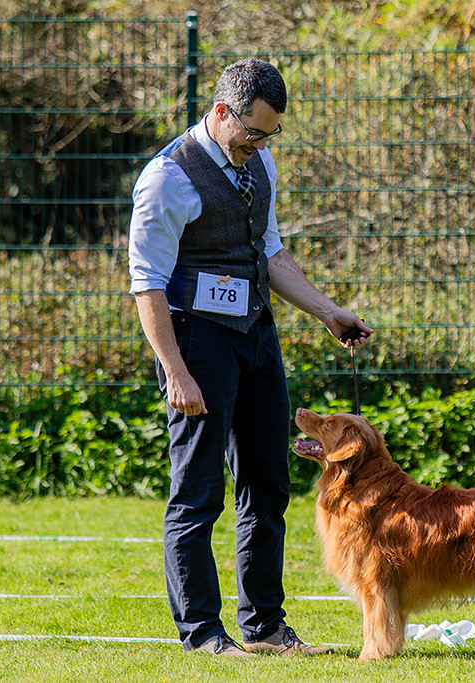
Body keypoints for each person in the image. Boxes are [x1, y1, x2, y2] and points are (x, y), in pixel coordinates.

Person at [127, 58, 373, 657]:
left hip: (255, 335)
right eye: (252, 133)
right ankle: (204, 633)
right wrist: (176, 372)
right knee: (199, 490)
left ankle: (265, 628)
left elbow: (272, 255)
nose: (260, 145)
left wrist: (327, 311)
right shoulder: (168, 179)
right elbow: (147, 284)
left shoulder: (257, 162)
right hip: (196, 342)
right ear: (220, 113)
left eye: (270, 135)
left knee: (267, 483)